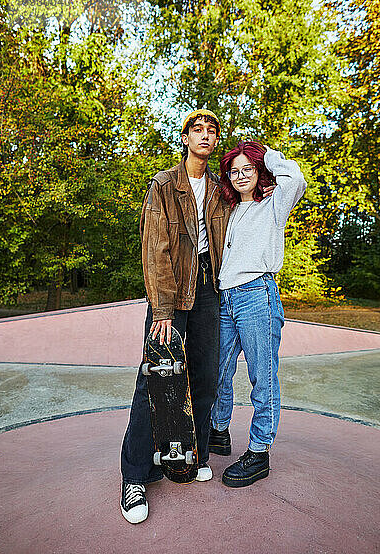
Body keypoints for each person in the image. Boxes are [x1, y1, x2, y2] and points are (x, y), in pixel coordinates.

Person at [120, 109, 230, 524]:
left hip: (208, 291)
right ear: (185, 138)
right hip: (171, 291)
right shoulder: (165, 184)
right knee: (154, 379)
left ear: (216, 140)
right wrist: (162, 308)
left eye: (211, 131)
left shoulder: (222, 189)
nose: (204, 136)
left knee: (204, 375)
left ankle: (192, 452)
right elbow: (155, 248)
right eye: (197, 130)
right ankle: (133, 476)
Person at [209, 141, 307, 487]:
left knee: (261, 377)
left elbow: (295, 179)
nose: (239, 176)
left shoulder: (274, 205)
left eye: (246, 168)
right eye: (234, 171)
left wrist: (265, 155)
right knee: (217, 372)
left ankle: (259, 451)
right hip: (226, 299)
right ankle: (218, 431)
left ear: (258, 169)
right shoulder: (229, 211)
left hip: (257, 296)